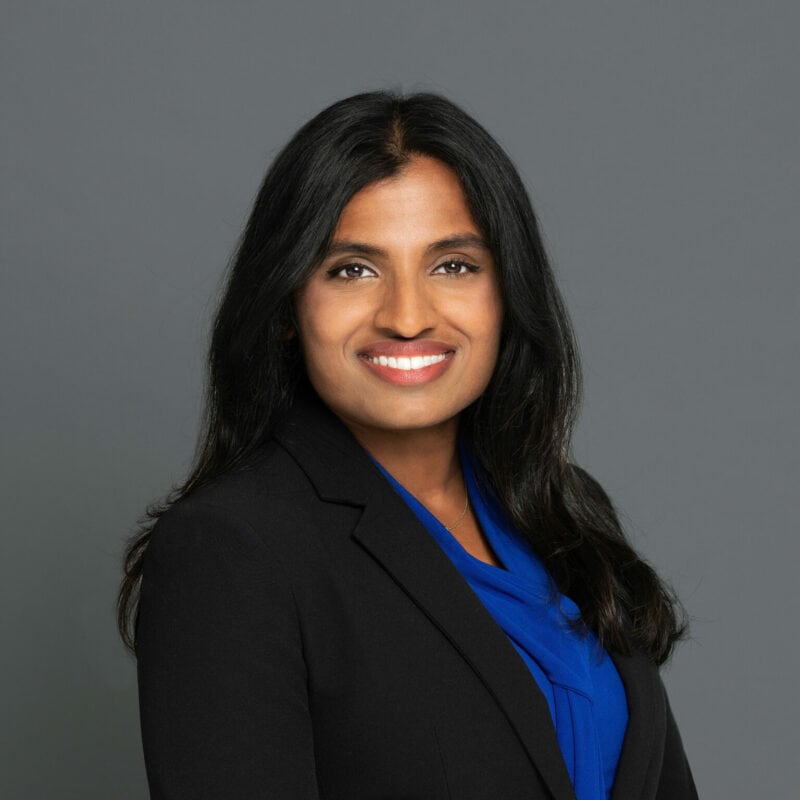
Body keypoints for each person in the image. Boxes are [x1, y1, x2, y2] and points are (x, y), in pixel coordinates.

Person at [118, 90, 698, 799]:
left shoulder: (566, 510)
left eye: (452, 265)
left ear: (507, 293)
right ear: (286, 307)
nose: (407, 316)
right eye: (352, 270)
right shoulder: (232, 551)